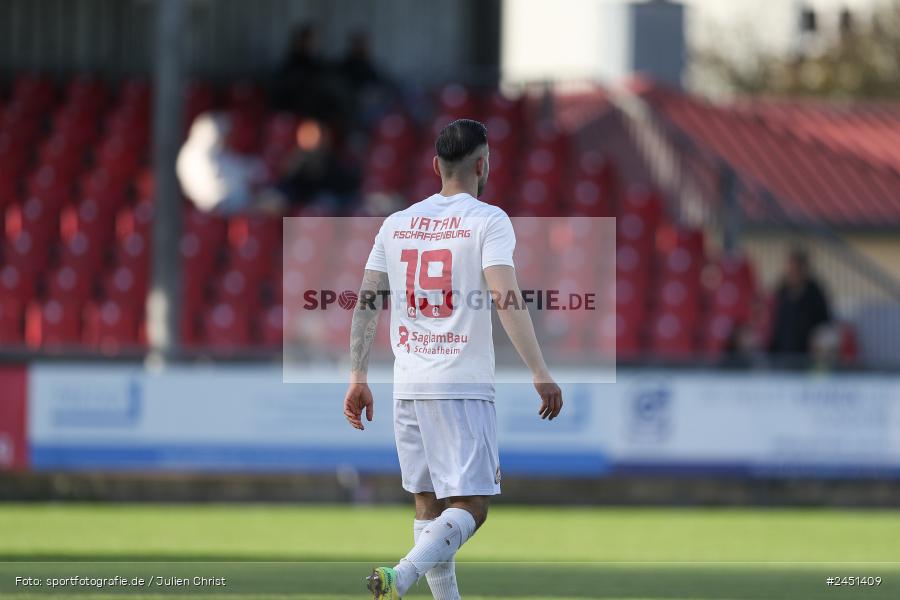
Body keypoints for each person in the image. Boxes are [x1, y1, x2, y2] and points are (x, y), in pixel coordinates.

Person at [342, 119, 563, 599]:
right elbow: (505, 296)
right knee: (472, 506)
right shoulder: (488, 220)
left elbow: (365, 301)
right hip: (460, 383)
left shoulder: (395, 223)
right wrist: (539, 370)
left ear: (435, 165)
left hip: (409, 385)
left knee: (429, 503)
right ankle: (400, 576)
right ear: (483, 165)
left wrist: (358, 374)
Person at [767, 248, 831, 360]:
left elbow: (825, 322)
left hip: (806, 355)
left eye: (795, 268)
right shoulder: (781, 291)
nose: (792, 272)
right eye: (790, 268)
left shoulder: (815, 293)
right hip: (780, 353)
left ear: (804, 269)